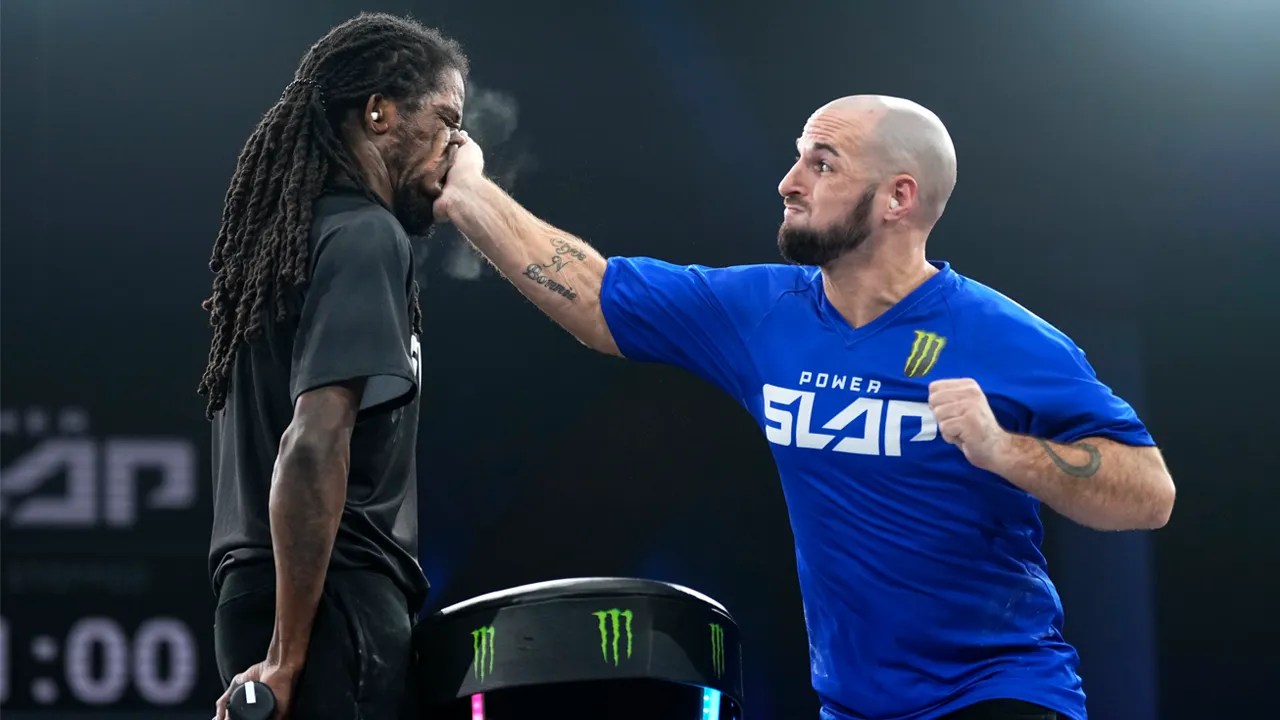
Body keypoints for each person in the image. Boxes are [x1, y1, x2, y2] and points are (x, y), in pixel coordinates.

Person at [431, 95, 1176, 720]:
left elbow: (1149, 494)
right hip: (851, 706)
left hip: (997, 693)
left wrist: (1004, 450)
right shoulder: (760, 311)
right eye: (798, 159)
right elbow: (596, 296)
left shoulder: (1008, 338)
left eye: (823, 164)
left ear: (898, 198)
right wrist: (466, 193)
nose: (789, 182)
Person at [198, 13, 467, 719]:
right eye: (446, 120)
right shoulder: (365, 236)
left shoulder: (291, 248)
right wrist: (289, 655)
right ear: (379, 113)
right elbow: (313, 443)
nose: (459, 146)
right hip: (329, 603)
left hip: (264, 597)